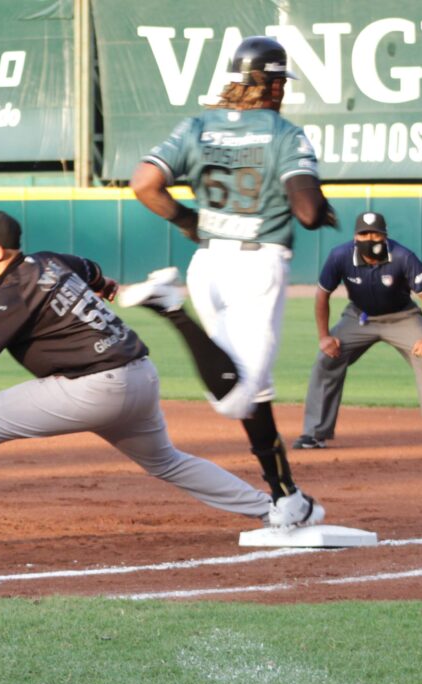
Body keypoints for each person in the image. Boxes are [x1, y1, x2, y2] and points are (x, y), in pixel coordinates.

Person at [0, 209, 277, 553]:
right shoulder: (50, 260)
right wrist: (109, 289)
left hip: (96, 387)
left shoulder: (13, 294)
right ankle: (274, 511)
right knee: (167, 461)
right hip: (140, 376)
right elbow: (91, 270)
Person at [121, 35, 335, 528]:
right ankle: (170, 308)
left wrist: (187, 221)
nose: (283, 91)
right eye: (281, 83)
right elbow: (306, 212)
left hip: (208, 262)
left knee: (254, 392)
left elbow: (144, 183)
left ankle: (286, 496)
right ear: (273, 85)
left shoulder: (197, 126)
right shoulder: (284, 133)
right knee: (235, 396)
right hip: (258, 266)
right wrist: (321, 207)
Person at [292, 211, 422, 451]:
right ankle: (314, 433)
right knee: (326, 359)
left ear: (384, 236)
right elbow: (322, 295)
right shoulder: (340, 256)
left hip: (402, 316)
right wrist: (324, 337)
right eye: (364, 234)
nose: (370, 239)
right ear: (355, 237)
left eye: (375, 234)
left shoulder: (402, 256)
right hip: (359, 317)